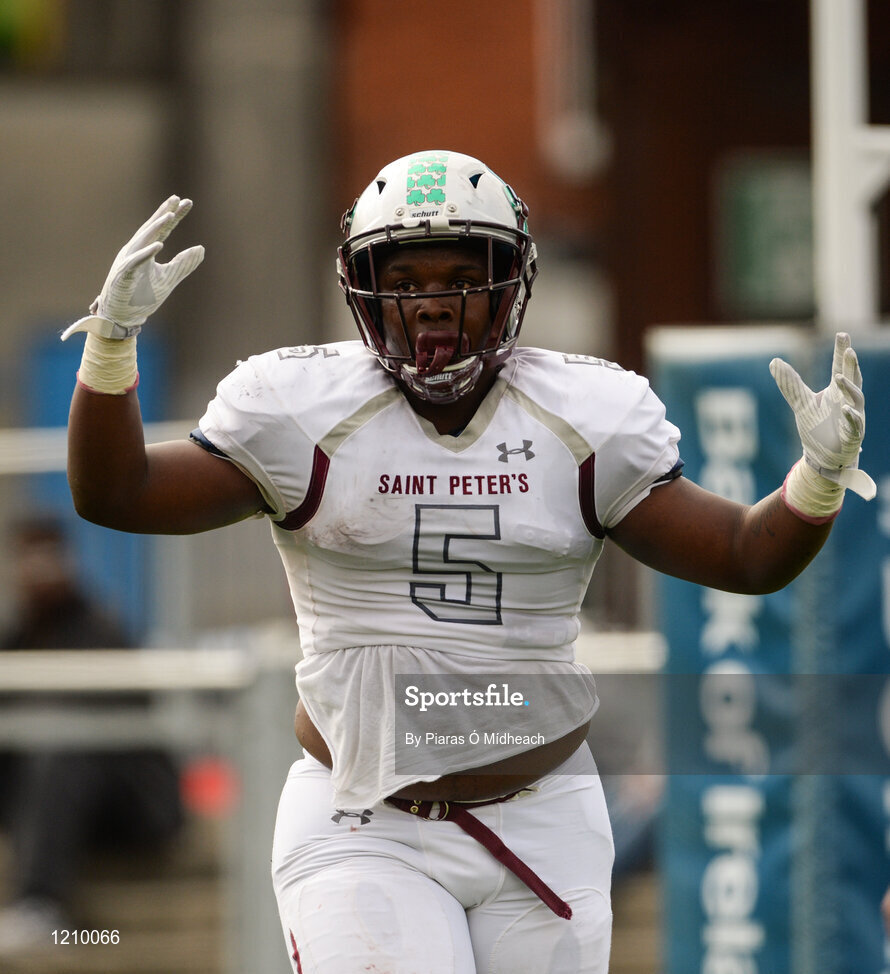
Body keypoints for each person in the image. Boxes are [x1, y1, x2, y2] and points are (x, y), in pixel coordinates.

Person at [60, 150, 875, 973]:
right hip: (361, 818)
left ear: (510, 286)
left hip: (544, 816)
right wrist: (110, 347)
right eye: (407, 281)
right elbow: (117, 493)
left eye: (459, 276)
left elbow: (745, 557)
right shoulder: (299, 408)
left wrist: (817, 479)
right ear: (366, 289)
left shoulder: (587, 415)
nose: (433, 305)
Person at [0, 517, 183, 956]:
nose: (37, 573)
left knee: (57, 738)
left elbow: (90, 738)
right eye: (28, 561)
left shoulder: (101, 631)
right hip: (50, 804)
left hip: (131, 806)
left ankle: (40, 906)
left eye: (47, 560)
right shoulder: (17, 640)